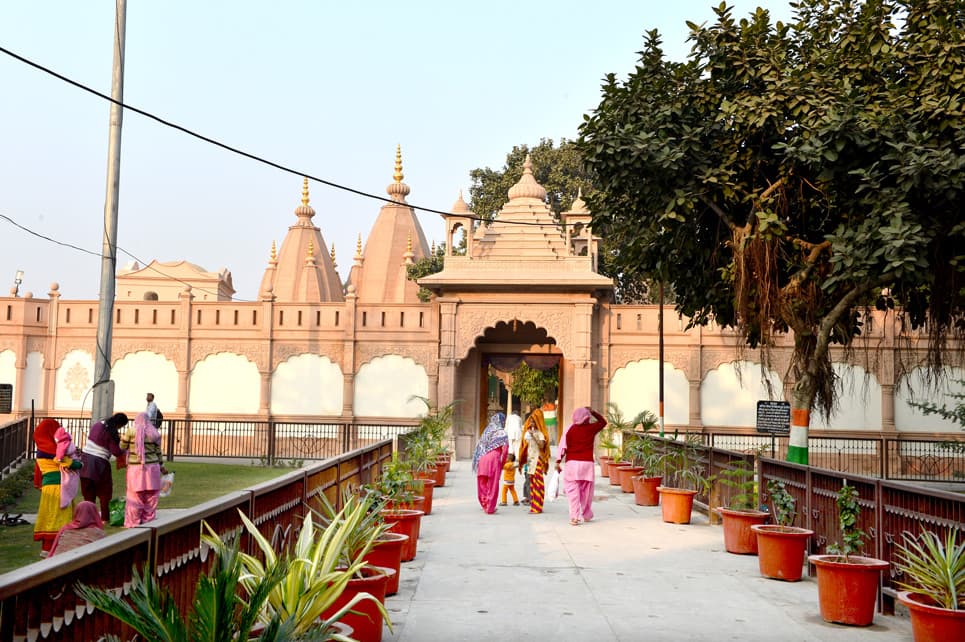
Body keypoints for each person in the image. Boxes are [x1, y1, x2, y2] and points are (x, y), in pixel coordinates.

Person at [33, 418, 80, 555]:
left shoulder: (41, 448)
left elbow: (38, 473)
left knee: (49, 516)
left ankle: (46, 548)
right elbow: (72, 464)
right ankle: (56, 549)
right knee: (60, 517)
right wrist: (79, 463)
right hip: (59, 488)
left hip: (48, 488)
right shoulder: (53, 451)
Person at [556, 406, 607, 525]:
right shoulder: (591, 428)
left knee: (573, 492)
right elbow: (603, 422)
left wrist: (558, 461)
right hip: (587, 465)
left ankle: (574, 517)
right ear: (587, 417)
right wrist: (593, 412)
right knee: (587, 492)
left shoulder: (569, 429)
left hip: (572, 465)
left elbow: (563, 447)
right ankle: (586, 514)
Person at [80, 412, 129, 522]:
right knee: (104, 493)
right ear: (120, 425)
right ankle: (104, 518)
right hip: (100, 464)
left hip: (85, 461)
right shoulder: (111, 432)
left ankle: (89, 517)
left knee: (88, 493)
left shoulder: (98, 425)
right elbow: (116, 452)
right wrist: (125, 448)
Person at [120, 412, 163, 527]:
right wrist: (162, 466)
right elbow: (158, 452)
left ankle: (133, 522)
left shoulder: (131, 431)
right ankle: (148, 521)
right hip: (152, 468)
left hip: (135, 469)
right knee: (151, 496)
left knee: (134, 496)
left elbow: (122, 446)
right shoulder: (154, 432)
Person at [472, 411, 508, 515]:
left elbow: (480, 447)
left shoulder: (487, 431)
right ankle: (490, 508)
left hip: (482, 459)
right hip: (494, 459)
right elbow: (505, 450)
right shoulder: (502, 433)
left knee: (482, 483)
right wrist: (502, 463)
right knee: (493, 485)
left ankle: (484, 503)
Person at [519, 406, 551, 514]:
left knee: (538, 483)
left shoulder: (540, 433)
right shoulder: (528, 432)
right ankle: (534, 506)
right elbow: (525, 446)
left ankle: (537, 507)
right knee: (532, 483)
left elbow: (542, 446)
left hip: (537, 460)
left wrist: (534, 436)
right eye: (531, 421)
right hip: (530, 461)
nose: (531, 423)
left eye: (533, 422)